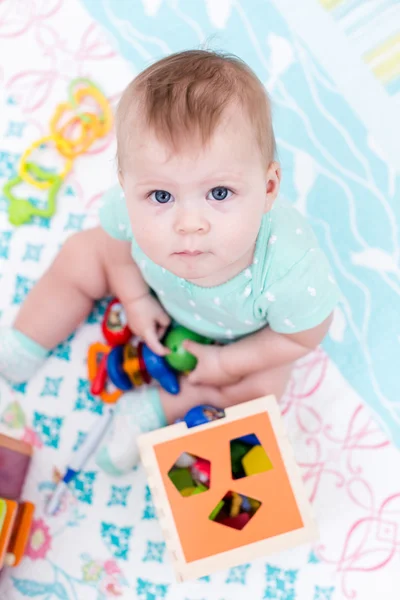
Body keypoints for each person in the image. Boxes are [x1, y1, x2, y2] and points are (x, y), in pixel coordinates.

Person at [0, 50, 339, 474]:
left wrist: (223, 364)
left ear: (268, 187)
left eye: (219, 194)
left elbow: (300, 339)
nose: (189, 224)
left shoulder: (289, 267)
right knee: (83, 253)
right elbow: (116, 252)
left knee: (262, 392)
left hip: (235, 337)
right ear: (127, 186)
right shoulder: (128, 210)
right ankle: (25, 339)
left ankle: (160, 407)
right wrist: (137, 299)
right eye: (161, 196)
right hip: (153, 288)